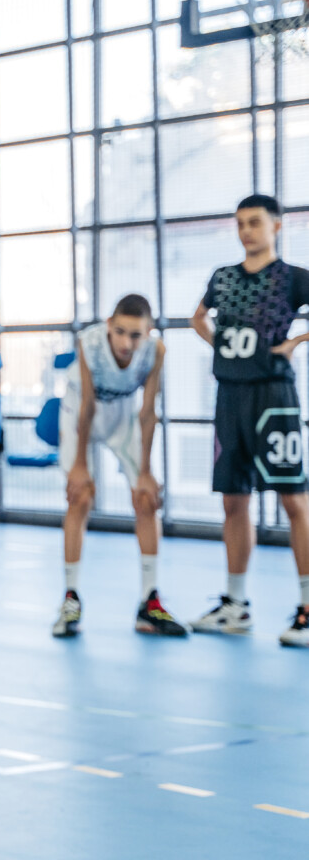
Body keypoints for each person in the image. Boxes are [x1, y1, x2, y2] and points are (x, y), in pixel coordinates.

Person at [189, 194, 309, 648]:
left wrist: (295, 341)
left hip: (274, 397)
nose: (246, 231)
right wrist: (222, 345)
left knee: (294, 500)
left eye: (255, 222)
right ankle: (235, 606)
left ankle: (307, 607)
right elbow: (197, 318)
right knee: (233, 501)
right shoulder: (222, 278)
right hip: (230, 396)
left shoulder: (294, 279)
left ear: (277, 226)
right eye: (240, 223)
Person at [52, 294, 185, 638]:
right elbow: (87, 408)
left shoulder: (157, 352)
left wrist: (146, 471)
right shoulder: (91, 343)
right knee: (80, 495)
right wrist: (81, 464)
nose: (127, 342)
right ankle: (70, 598)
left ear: (149, 331)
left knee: (145, 499)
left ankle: (149, 602)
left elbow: (148, 411)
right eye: (121, 332)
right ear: (109, 326)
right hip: (80, 410)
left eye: (136, 335)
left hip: (123, 412)